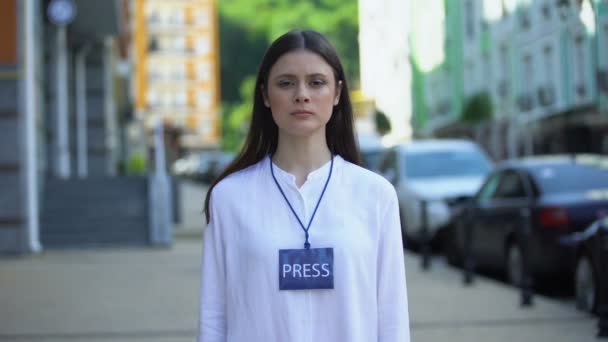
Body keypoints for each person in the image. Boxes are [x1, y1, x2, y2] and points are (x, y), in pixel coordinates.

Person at [198, 29, 410, 342]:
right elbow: (214, 316)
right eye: (286, 83)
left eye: (316, 82)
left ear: (337, 93)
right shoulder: (229, 197)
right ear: (265, 95)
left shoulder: (376, 195)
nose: (302, 94)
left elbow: (391, 317)